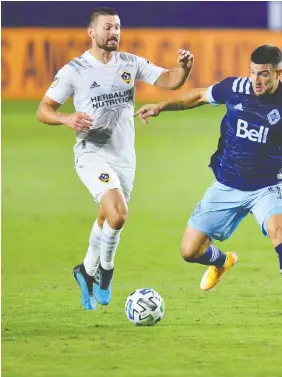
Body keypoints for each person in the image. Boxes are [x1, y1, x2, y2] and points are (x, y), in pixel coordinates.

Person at [134, 44, 282, 327]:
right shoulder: (235, 88)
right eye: (254, 73)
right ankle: (222, 261)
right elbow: (197, 97)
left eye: (265, 75)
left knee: (280, 231)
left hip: (266, 188)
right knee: (189, 251)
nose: (257, 80)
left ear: (279, 73)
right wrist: (162, 106)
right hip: (226, 184)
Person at [36, 7, 194, 311]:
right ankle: (105, 271)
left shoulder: (130, 64)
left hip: (124, 158)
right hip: (91, 153)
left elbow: (171, 80)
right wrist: (67, 119)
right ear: (92, 33)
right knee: (119, 214)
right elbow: (44, 109)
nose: (114, 33)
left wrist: (185, 68)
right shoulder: (75, 70)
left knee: (108, 215)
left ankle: (85, 270)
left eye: (118, 28)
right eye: (108, 28)